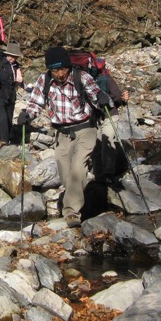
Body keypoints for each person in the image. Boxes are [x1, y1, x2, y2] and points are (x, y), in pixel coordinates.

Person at [17, 46, 112, 228]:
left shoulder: (81, 77)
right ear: (49, 70)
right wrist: (28, 115)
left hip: (85, 129)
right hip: (62, 133)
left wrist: (102, 99)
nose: (60, 74)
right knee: (65, 174)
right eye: (55, 71)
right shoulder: (44, 80)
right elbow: (36, 102)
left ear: (68, 66)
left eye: (63, 69)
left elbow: (96, 94)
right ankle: (84, 202)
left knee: (78, 169)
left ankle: (71, 213)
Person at [94, 57, 131, 186]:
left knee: (105, 141)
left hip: (108, 115)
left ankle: (106, 173)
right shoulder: (104, 78)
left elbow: (117, 97)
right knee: (103, 143)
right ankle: (102, 174)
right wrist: (122, 99)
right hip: (100, 116)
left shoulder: (105, 79)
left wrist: (121, 99)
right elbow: (118, 98)